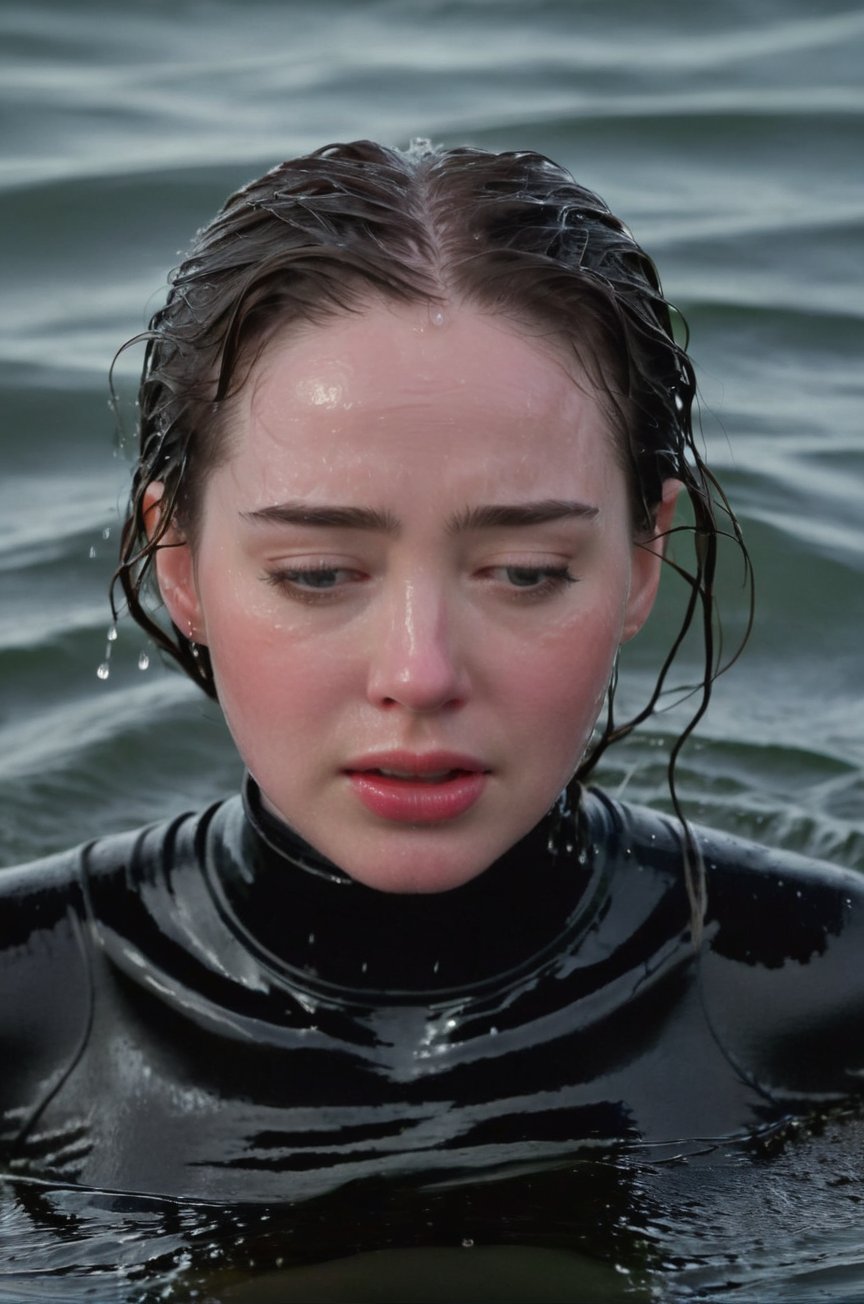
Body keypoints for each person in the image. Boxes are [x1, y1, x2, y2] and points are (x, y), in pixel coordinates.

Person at [2, 140, 863, 1288]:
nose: (420, 671)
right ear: (180, 562)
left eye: (524, 571)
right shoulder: (23, 1019)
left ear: (645, 555)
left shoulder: (828, 1002)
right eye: (317, 572)